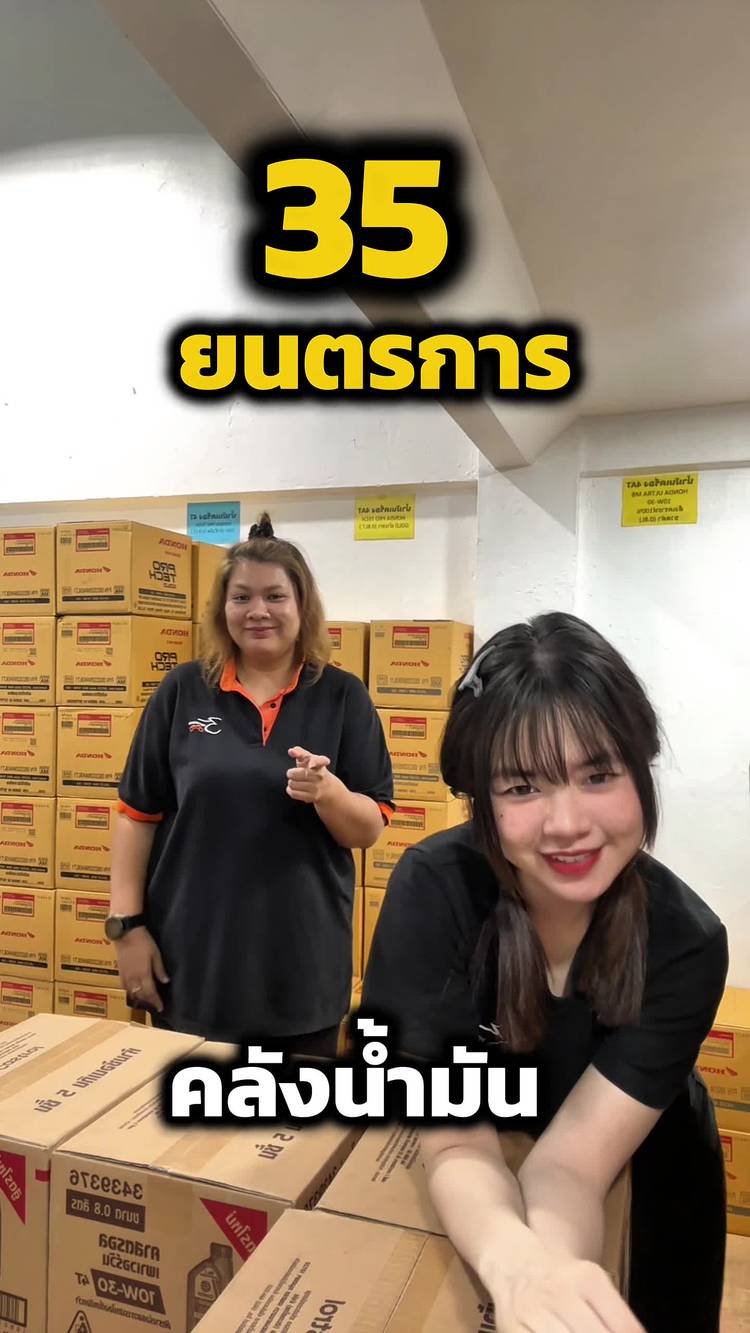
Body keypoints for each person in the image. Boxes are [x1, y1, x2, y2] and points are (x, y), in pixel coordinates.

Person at [362, 611, 728, 1333]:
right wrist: (519, 1269)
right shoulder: (435, 895)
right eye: (523, 787)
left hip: (649, 1171)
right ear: (482, 799)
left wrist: (558, 1277)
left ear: (641, 768)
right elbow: (457, 1139)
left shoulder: (686, 940)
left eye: (599, 774)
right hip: (478, 1164)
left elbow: (574, 1165)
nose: (567, 823)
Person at [108, 513, 394, 1056]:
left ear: (302, 605)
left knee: (292, 1112)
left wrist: (329, 794)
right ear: (223, 609)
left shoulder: (343, 697)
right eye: (241, 597)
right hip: (191, 964)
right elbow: (136, 817)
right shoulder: (182, 691)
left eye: (274, 596)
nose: (257, 611)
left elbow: (367, 831)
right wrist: (127, 928)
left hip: (302, 971)